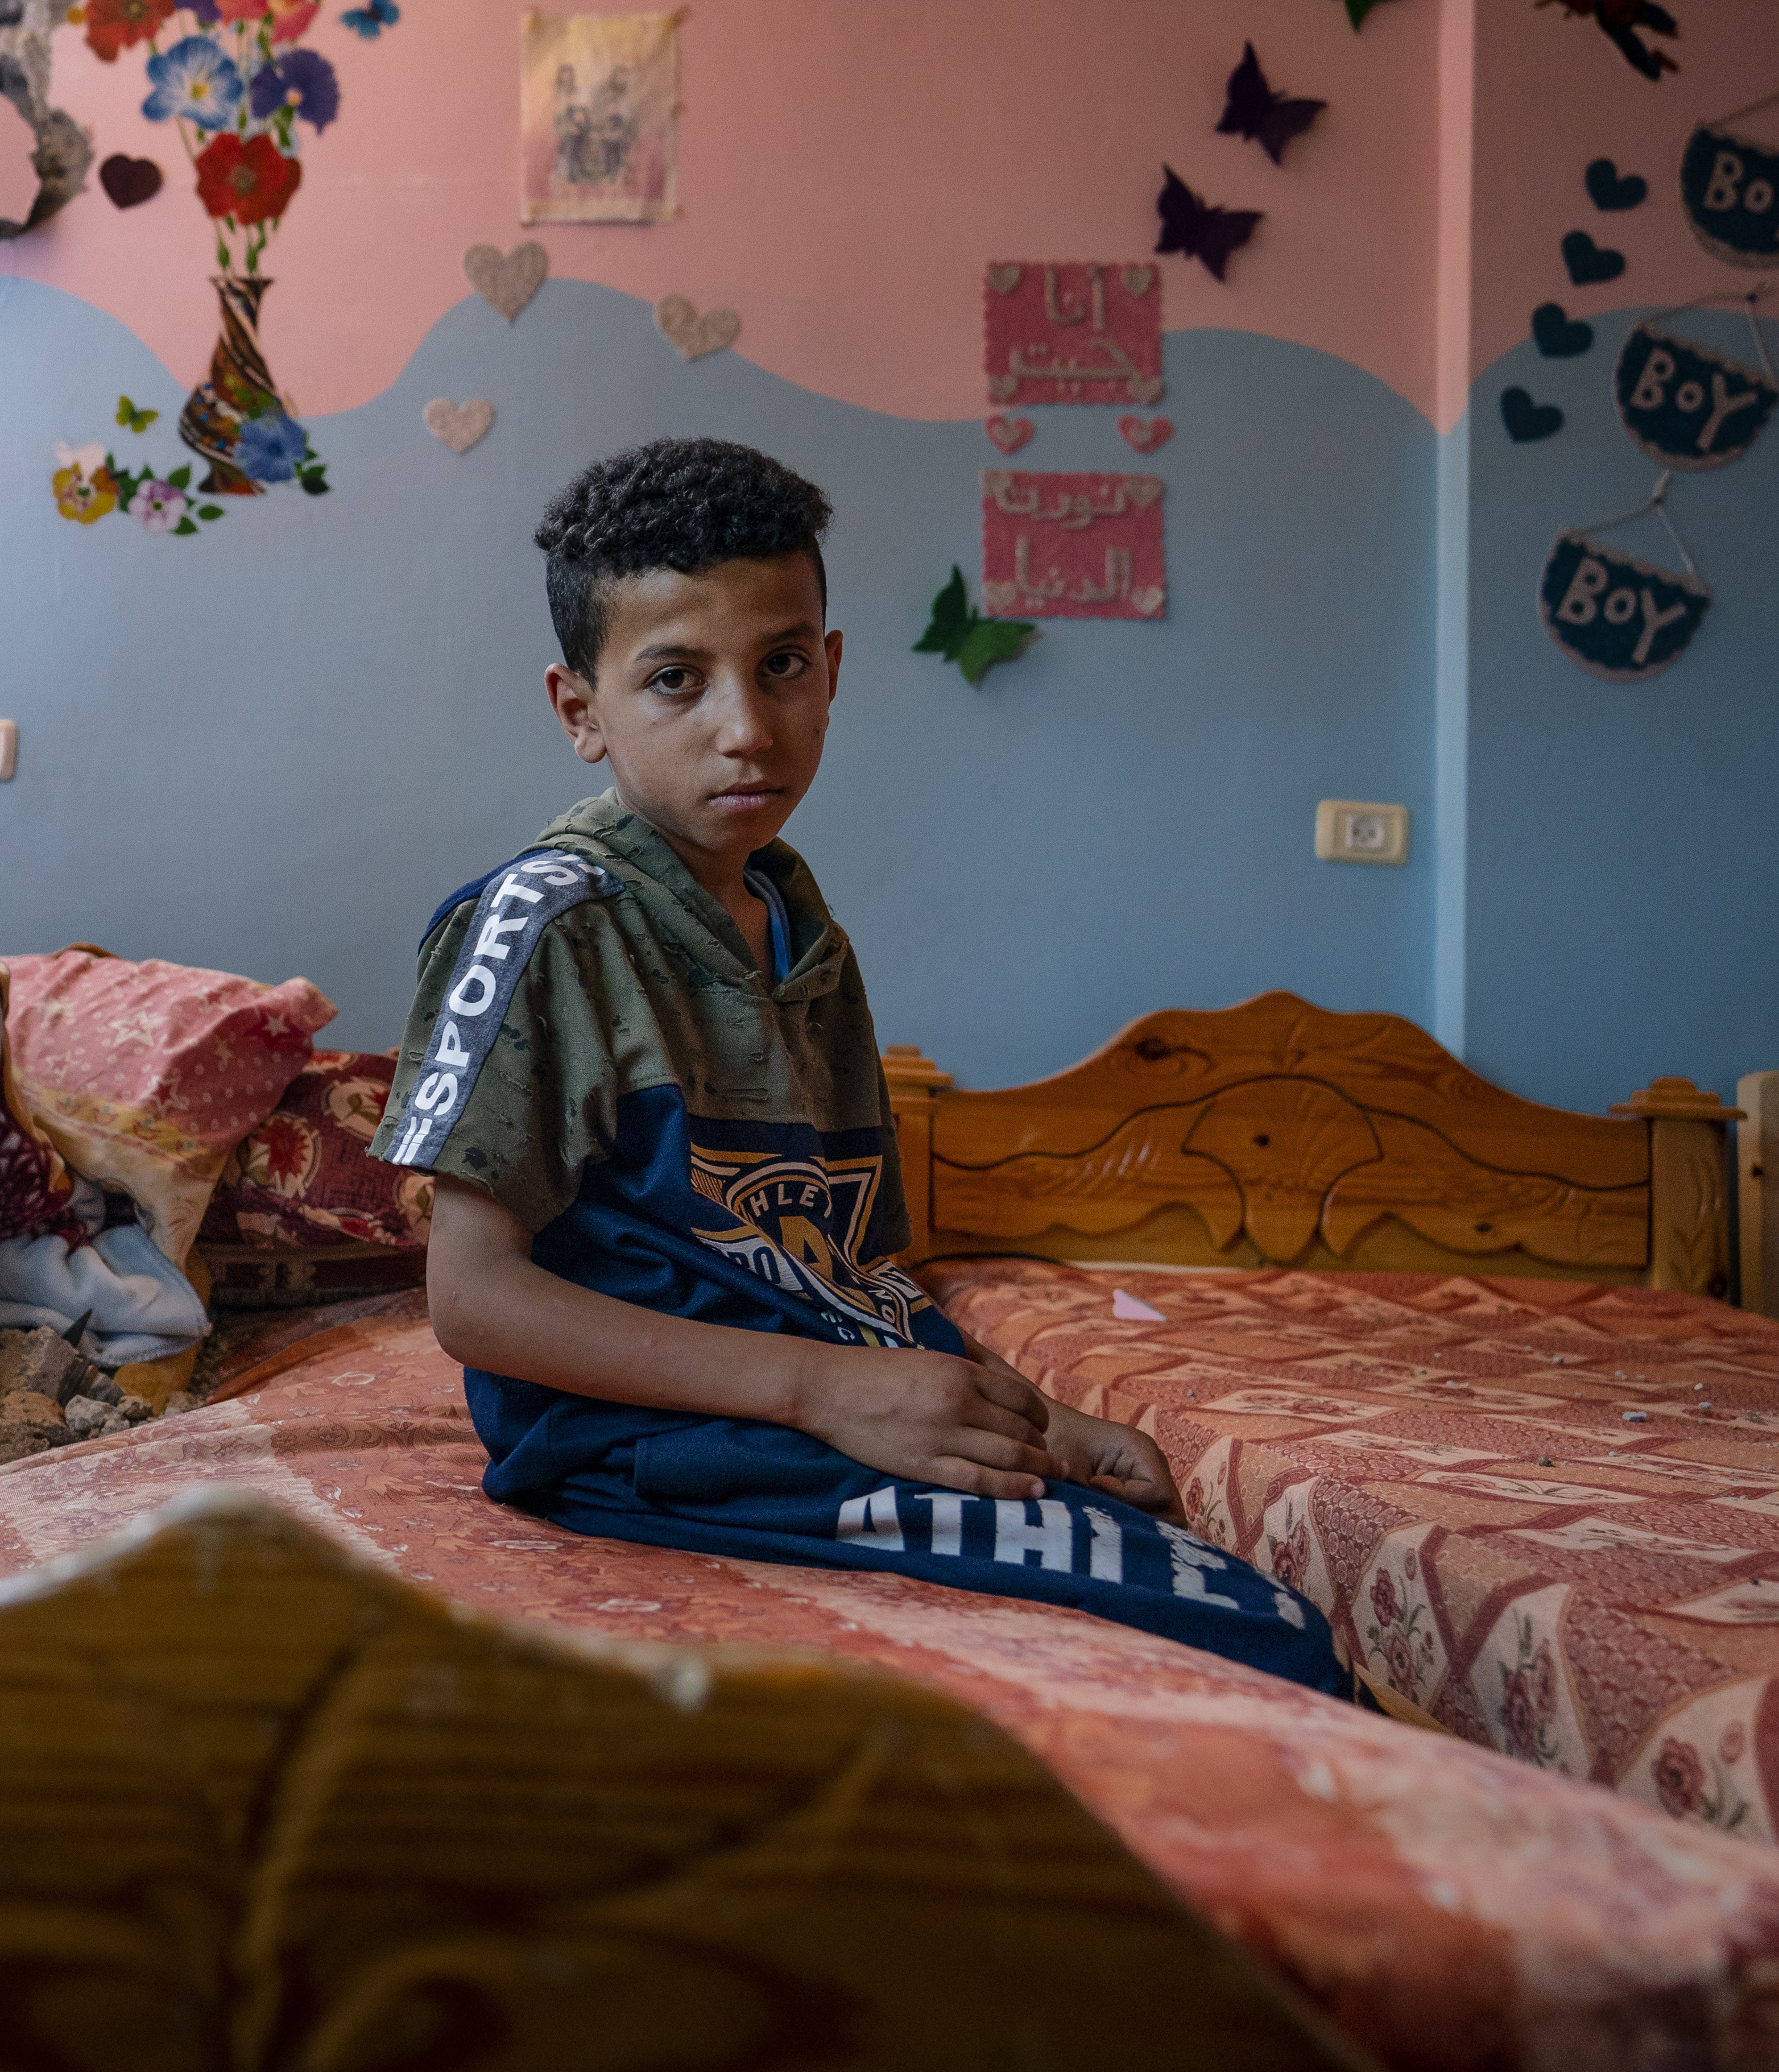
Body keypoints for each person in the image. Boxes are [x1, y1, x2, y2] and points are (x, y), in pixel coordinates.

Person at [371, 439, 1350, 1693]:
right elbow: (471, 1302)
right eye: (675, 679)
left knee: (1238, 1602)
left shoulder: (800, 932)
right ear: (580, 711)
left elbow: (843, 1274)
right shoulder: (541, 924)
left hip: (799, 1409)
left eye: (780, 666)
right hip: (648, 1439)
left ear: (830, 672)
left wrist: (1040, 1418)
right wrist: (818, 1389)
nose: (744, 728)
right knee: (1238, 1642)